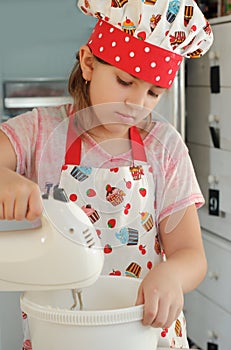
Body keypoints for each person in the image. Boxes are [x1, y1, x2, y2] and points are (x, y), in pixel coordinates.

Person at [0, 0, 213, 348]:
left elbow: (191, 254)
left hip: (143, 330)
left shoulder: (164, 147)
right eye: (124, 81)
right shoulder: (39, 131)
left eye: (153, 93)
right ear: (88, 64)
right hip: (63, 331)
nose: (137, 104)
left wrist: (172, 274)